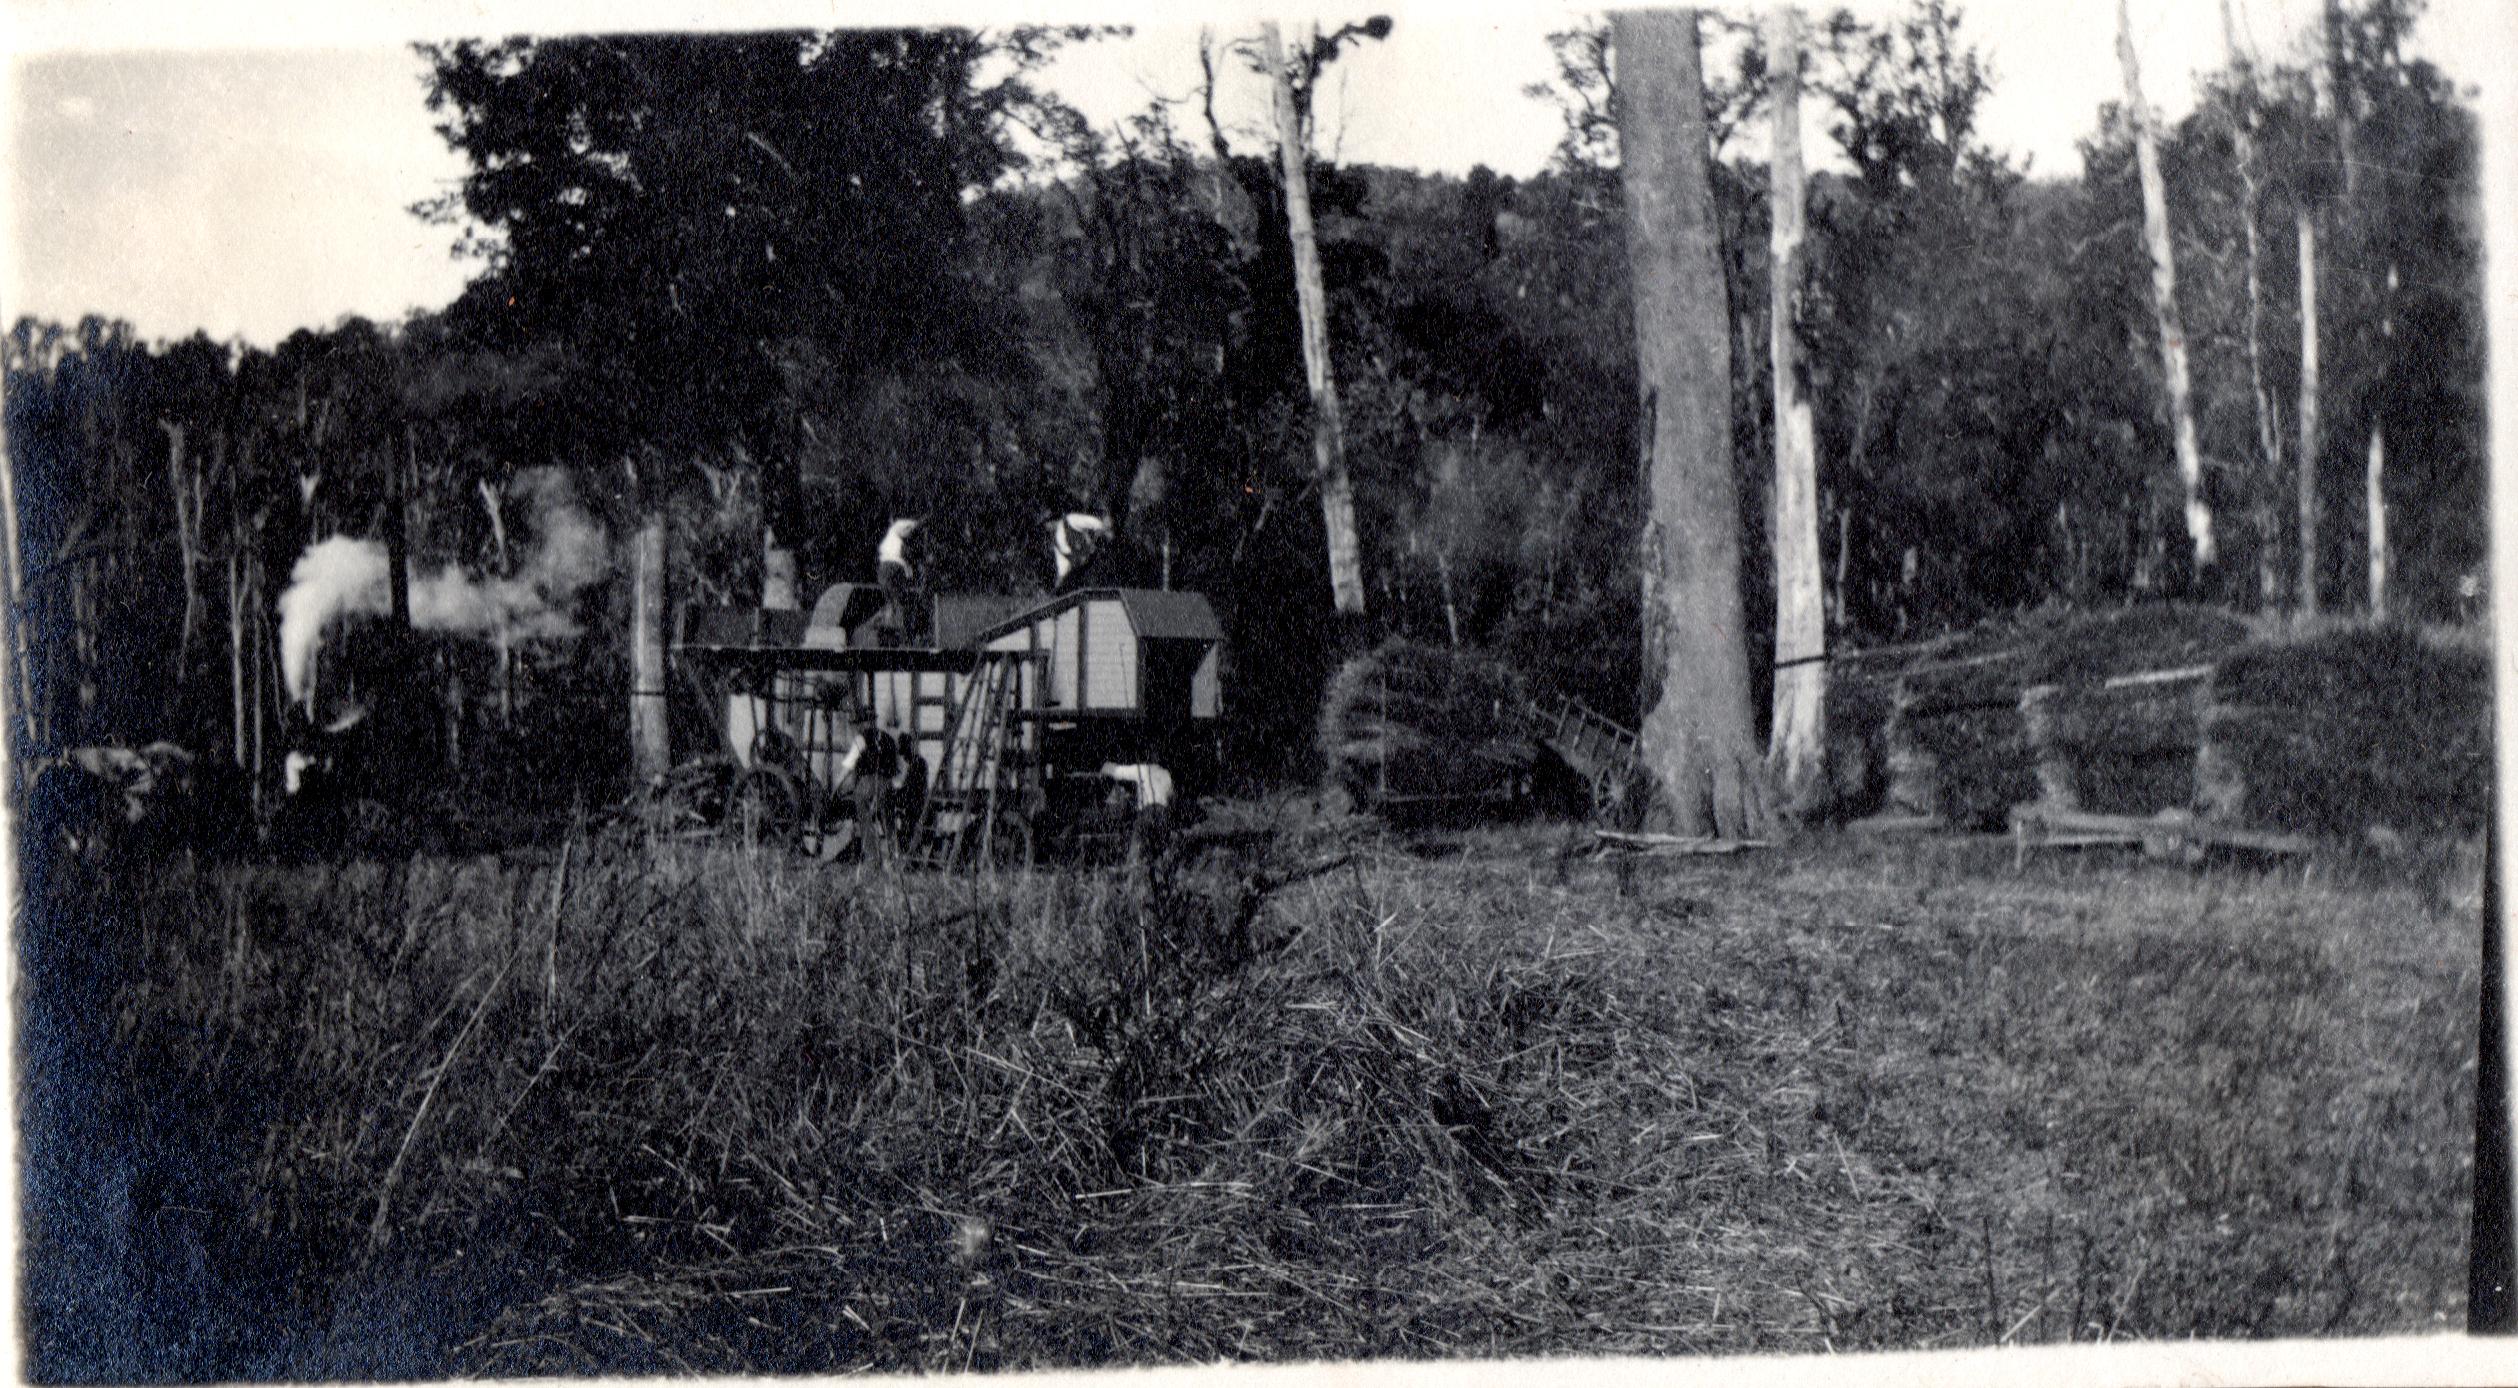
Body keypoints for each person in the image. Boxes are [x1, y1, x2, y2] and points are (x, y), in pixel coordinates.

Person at [837, 708, 901, 865]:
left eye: (859, 723)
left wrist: (835, 788)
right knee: (888, 820)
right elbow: (897, 768)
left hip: (868, 785)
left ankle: (873, 858)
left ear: (862, 723)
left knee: (865, 818)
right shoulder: (889, 739)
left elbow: (848, 766)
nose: (858, 726)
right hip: (888, 784)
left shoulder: (861, 739)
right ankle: (895, 857)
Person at [876, 518, 924, 646]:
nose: (908, 534)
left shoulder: (895, 543)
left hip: (890, 566)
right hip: (891, 566)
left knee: (893, 602)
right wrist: (914, 524)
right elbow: (902, 528)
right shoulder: (894, 531)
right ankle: (892, 630)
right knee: (893, 601)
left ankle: (894, 631)